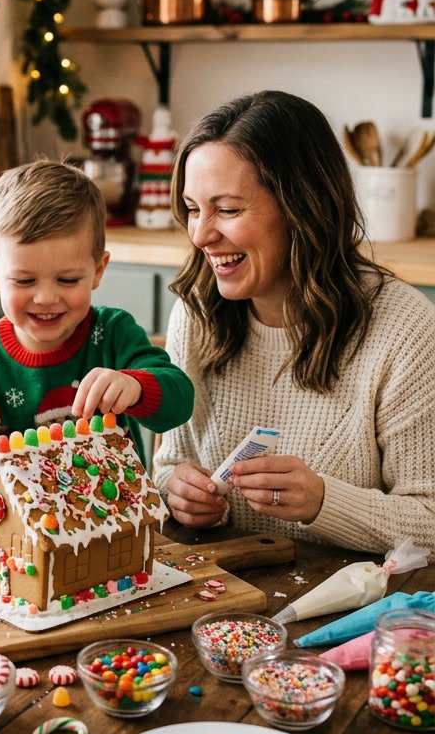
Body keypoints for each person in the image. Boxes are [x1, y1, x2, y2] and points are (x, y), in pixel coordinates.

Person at [154, 90, 435, 553]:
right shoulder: (196, 310)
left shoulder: (403, 330)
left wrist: (324, 502)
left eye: (227, 209)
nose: (200, 234)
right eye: (191, 208)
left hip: (353, 611)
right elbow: (169, 465)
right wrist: (179, 492)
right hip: (225, 598)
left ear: (303, 207)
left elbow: (429, 520)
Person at [0, 158, 194, 481]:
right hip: (19, 526)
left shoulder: (114, 333)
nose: (46, 298)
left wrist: (135, 386)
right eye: (24, 281)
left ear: (98, 270)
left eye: (67, 280)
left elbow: (179, 402)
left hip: (118, 519)